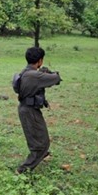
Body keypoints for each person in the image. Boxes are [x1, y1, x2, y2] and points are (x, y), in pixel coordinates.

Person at [14, 46, 62, 174]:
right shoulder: (35, 75)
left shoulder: (25, 72)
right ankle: (23, 169)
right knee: (41, 144)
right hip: (29, 110)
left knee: (40, 137)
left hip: (27, 108)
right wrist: (50, 73)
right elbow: (56, 79)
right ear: (40, 60)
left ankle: (41, 155)